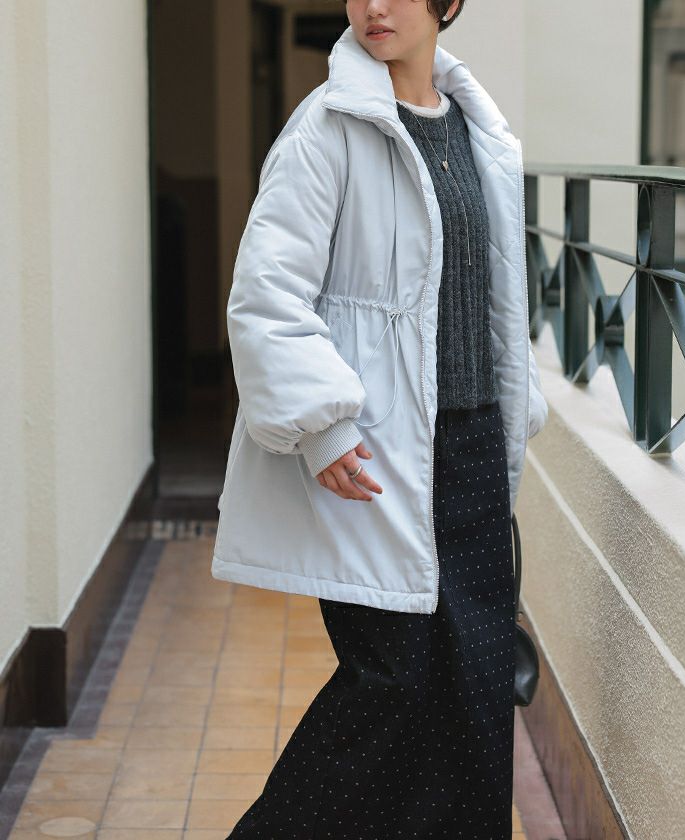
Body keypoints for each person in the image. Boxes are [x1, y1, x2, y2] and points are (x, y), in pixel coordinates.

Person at [213, 0, 549, 835]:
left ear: (447, 4)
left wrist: (519, 405)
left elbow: (498, 292)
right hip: (378, 457)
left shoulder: (479, 131)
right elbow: (265, 296)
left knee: (473, 689)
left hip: (472, 448)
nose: (372, 5)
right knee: (391, 683)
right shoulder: (325, 129)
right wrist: (322, 426)